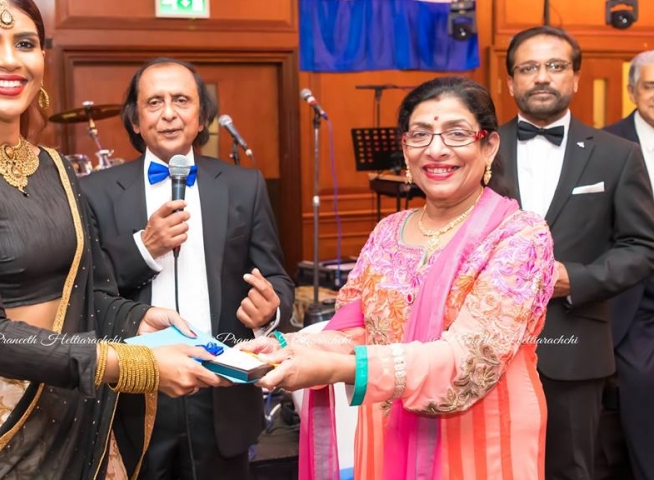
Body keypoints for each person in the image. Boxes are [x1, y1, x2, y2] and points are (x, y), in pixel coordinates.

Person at [0, 1, 225, 478]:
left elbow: (92, 293)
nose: (9, 60)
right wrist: (137, 365)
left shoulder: (57, 168)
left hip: (75, 403)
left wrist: (138, 319)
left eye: (25, 44)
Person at [242, 76, 557, 480]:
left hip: (480, 440)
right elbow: (355, 329)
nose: (436, 149)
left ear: (489, 145)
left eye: (457, 133)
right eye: (420, 134)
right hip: (389, 431)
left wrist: (342, 369)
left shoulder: (520, 235)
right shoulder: (388, 231)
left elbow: (472, 359)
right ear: (406, 149)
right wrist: (287, 347)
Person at [81, 57, 294, 480]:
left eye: (181, 100)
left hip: (222, 388)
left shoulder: (244, 185)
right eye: (154, 102)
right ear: (135, 120)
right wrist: (146, 247)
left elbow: (276, 278)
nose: (169, 113)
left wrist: (270, 310)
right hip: (137, 387)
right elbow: (87, 293)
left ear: (201, 118)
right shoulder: (94, 191)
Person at [493, 26, 654, 480]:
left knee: (571, 469)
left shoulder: (617, 155)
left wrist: (577, 280)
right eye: (528, 68)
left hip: (574, 344)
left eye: (555, 66)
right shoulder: (483, 152)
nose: (542, 76)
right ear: (510, 82)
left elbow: (642, 246)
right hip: (486, 347)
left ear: (575, 77)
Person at [599, 49, 654, 480]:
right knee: (642, 395)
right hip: (635, 298)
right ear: (632, 90)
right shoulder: (605, 146)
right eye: (651, 86)